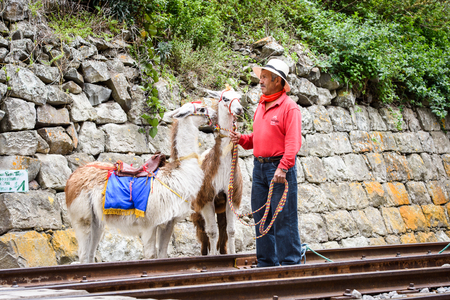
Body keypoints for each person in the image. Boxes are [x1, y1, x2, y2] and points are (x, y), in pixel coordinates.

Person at [229, 58, 302, 267]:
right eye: (260, 77)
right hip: (260, 167)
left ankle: (290, 265)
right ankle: (266, 263)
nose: (260, 81)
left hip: (278, 168)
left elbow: (293, 142)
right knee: (261, 216)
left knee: (283, 217)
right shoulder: (262, 105)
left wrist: (283, 167)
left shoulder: (290, 108)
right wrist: (243, 139)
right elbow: (259, 137)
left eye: (264, 77)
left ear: (277, 80)